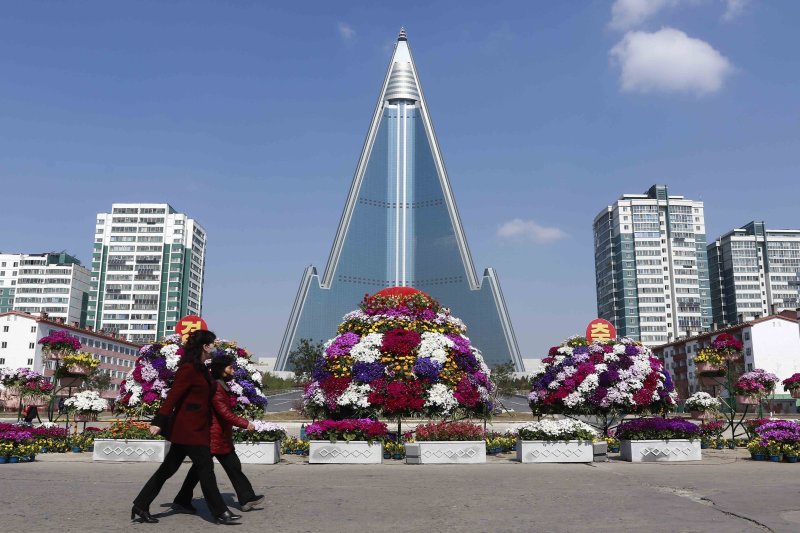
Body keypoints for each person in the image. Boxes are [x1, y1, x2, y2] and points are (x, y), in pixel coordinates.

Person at [131, 330, 241, 525]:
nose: (214, 347)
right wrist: (158, 421)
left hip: (196, 427)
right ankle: (220, 511)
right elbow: (173, 396)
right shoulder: (188, 368)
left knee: (167, 469)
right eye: (212, 344)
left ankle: (141, 504)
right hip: (189, 429)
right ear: (205, 346)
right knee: (205, 468)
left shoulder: (202, 368)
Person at [173, 354, 265, 512]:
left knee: (225, 467)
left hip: (220, 436)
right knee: (202, 470)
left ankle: (246, 498)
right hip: (214, 437)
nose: (233, 370)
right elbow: (224, 413)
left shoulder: (222, 385)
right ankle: (245, 498)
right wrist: (246, 423)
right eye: (230, 367)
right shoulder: (216, 387)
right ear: (222, 370)